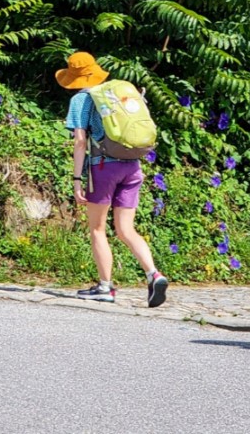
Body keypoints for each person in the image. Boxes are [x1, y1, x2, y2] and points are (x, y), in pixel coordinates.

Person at [59, 51, 169, 308]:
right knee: (126, 229)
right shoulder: (116, 93)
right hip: (132, 167)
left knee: (97, 228)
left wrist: (77, 179)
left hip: (103, 167)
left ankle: (105, 286)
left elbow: (80, 142)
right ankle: (154, 274)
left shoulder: (81, 100)